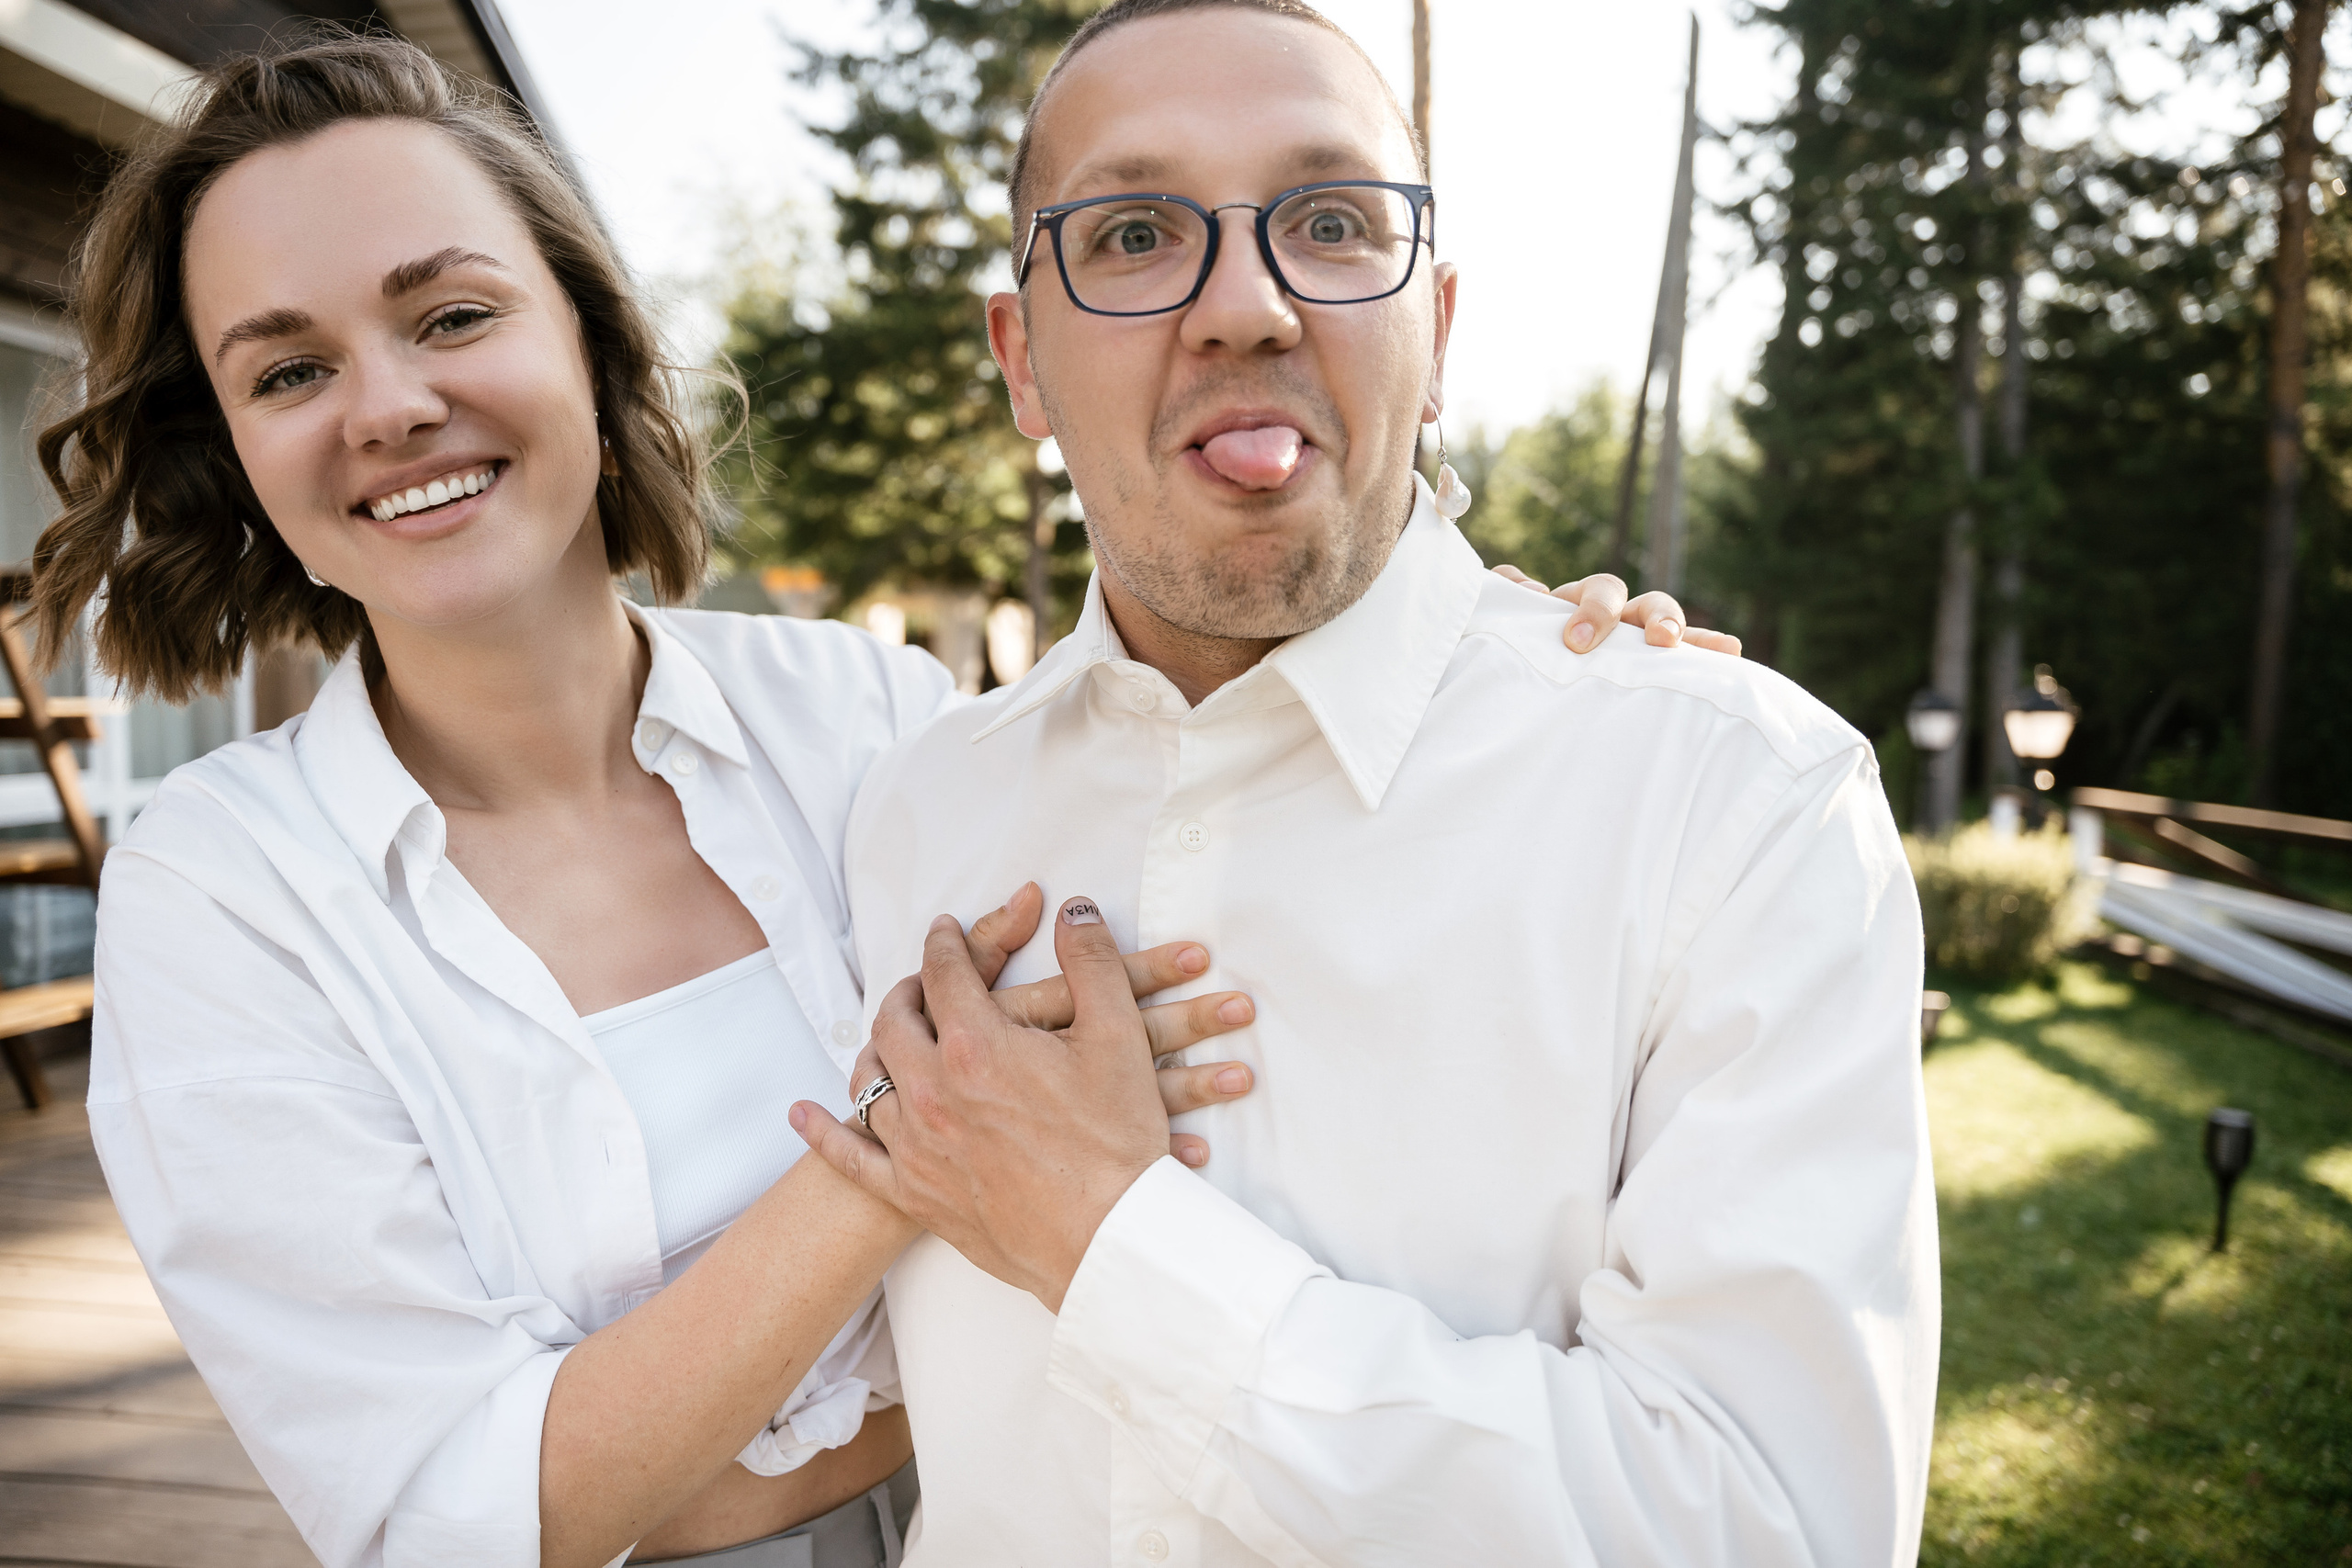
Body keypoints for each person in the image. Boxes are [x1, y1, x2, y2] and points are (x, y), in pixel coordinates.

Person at [31, 28, 1713, 1568]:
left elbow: (1212, 812)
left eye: (453, 315)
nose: (393, 406)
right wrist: (913, 1152)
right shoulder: (225, 887)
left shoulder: (869, 723)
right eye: (287, 370)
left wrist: (1525, 665)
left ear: (586, 341)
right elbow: (444, 1515)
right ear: (230, 450)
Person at [795, 2, 1940, 1565]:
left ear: (1441, 331)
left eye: (1331, 223)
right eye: (1135, 234)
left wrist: (1110, 1245)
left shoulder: (1731, 804)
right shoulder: (907, 813)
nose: (1247, 307)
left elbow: (1762, 1526)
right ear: (1023, 364)